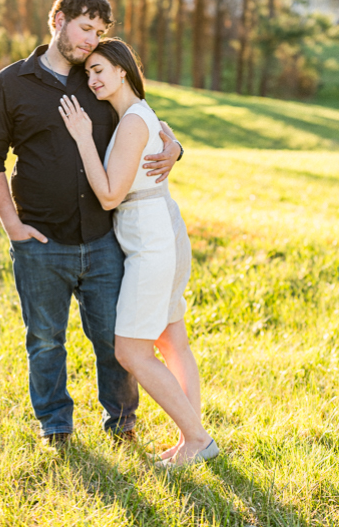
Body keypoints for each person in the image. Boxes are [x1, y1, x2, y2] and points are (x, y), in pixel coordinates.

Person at [0, 0, 184, 447]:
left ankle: (122, 422)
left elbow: (145, 116)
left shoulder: (98, 78)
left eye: (99, 32)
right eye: (85, 28)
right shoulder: (10, 85)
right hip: (40, 243)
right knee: (46, 340)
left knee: (113, 339)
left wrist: (175, 146)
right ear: (58, 20)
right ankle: (56, 426)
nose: (92, 40)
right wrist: (13, 225)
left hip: (105, 240)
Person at [57, 38, 217, 466]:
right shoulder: (138, 114)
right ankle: (192, 438)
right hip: (160, 230)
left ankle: (198, 439)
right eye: (87, 73)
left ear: (123, 70)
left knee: (130, 350)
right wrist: (176, 146)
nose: (92, 80)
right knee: (172, 340)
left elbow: (110, 195)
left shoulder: (131, 122)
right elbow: (166, 139)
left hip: (152, 242)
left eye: (98, 70)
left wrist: (82, 137)